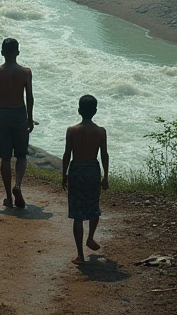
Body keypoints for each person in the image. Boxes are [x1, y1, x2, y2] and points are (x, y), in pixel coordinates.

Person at [0, 37, 34, 208]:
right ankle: (17, 185)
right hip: (19, 113)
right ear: (18, 52)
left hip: (2, 113)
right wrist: (30, 117)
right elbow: (29, 97)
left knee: (5, 157)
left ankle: (8, 197)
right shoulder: (25, 72)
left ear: (2, 53)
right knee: (21, 155)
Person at [62, 94, 109, 265]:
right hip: (93, 170)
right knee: (94, 207)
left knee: (78, 215)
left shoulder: (72, 130)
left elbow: (67, 154)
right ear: (95, 111)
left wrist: (63, 175)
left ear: (79, 110)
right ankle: (90, 237)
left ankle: (80, 255)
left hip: (77, 170)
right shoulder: (100, 131)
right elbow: (104, 155)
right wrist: (106, 176)